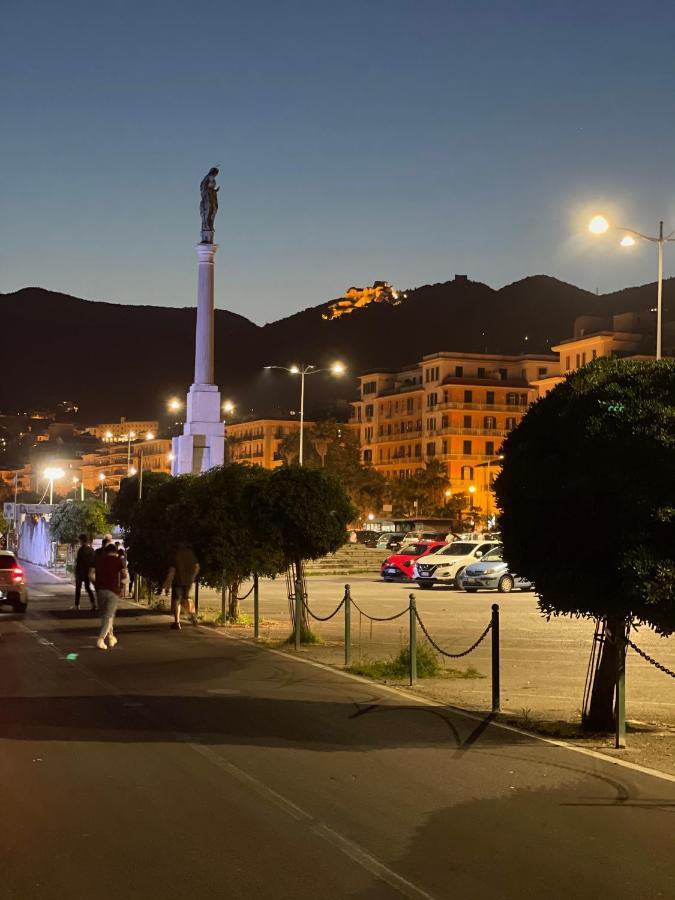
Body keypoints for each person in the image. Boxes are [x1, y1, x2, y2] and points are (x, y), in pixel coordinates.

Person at [94, 542, 125, 650]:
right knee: (109, 616)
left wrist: (96, 583)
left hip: (100, 591)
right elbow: (124, 575)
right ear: (115, 552)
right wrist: (121, 588)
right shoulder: (118, 561)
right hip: (112, 591)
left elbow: (91, 574)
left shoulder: (99, 560)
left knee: (104, 616)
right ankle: (101, 639)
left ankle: (111, 637)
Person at [163, 542, 200, 630]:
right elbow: (197, 566)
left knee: (177, 600)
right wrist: (192, 577)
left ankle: (177, 622)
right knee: (186, 598)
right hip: (188, 581)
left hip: (178, 580)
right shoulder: (191, 553)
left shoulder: (175, 555)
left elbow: (172, 571)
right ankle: (193, 616)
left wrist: (167, 585)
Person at [72, 533, 97, 611]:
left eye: (80, 540)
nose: (79, 542)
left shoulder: (81, 550)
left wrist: (76, 572)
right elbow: (93, 561)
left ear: (82, 540)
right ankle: (93, 604)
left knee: (78, 589)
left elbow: (79, 562)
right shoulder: (91, 549)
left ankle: (77, 605)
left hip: (81, 572)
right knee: (88, 588)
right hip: (88, 571)